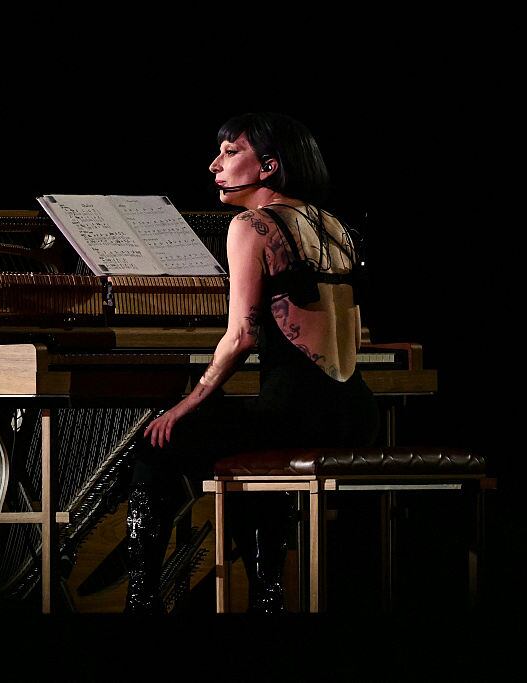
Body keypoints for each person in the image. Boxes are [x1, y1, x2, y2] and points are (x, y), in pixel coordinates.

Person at [124, 112, 380, 614]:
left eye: (230, 152)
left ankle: (142, 603)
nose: (214, 164)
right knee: (243, 447)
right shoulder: (335, 226)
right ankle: (266, 599)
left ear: (267, 167)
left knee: (157, 445)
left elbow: (241, 336)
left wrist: (185, 406)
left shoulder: (250, 225)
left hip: (296, 415)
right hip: (357, 413)